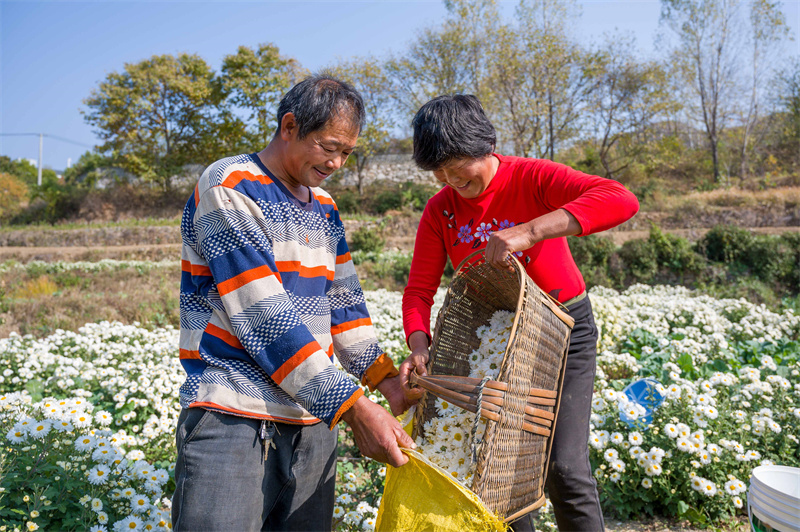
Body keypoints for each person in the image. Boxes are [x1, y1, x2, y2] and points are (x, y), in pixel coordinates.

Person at [172, 74, 415, 531]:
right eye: (328, 146)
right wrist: (355, 408)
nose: (338, 162)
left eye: (347, 152)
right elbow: (264, 317)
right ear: (288, 127)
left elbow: (344, 306)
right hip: (234, 417)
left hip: (312, 423)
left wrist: (385, 381)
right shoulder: (230, 187)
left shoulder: (323, 205)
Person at [398, 94, 639, 532]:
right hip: (497, 345)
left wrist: (530, 231)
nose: (451, 179)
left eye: (458, 165)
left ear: (484, 145)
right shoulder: (441, 211)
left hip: (564, 330)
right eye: (439, 171)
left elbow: (620, 199)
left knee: (564, 469)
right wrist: (418, 344)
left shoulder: (531, 177)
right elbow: (418, 292)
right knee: (498, 474)